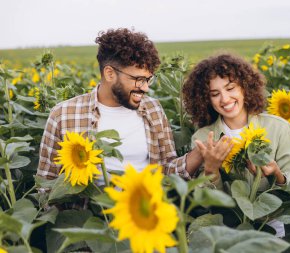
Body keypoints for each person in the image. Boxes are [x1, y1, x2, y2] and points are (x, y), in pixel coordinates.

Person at [36, 28, 202, 183]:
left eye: (148, 79)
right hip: (88, 212)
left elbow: (167, 171)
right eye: (138, 79)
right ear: (110, 74)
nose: (145, 88)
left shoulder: (153, 109)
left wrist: (200, 154)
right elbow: (47, 182)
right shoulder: (64, 115)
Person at [182, 54, 290, 236]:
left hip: (274, 229)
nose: (224, 99)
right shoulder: (204, 137)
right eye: (215, 94)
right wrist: (212, 172)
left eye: (230, 88)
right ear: (205, 99)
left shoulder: (278, 128)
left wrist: (277, 175)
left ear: (245, 87)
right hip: (230, 233)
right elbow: (208, 203)